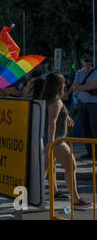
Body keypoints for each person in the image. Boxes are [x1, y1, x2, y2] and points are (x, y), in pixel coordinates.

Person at [42, 72, 91, 207]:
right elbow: (52, 122)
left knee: (44, 170)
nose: (66, 84)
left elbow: (54, 117)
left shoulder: (51, 99)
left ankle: (32, 196)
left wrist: (67, 117)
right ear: (59, 84)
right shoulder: (56, 101)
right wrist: (51, 144)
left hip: (54, 139)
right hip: (57, 140)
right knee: (71, 166)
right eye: (64, 82)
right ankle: (75, 199)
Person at [71, 54, 97, 159]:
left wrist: (79, 87)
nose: (87, 62)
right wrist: (85, 87)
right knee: (85, 128)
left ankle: (96, 152)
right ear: (82, 61)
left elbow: (93, 85)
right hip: (82, 103)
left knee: (95, 129)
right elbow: (74, 86)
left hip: (93, 104)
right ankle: (89, 152)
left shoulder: (95, 72)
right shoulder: (78, 72)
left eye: (89, 60)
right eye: (85, 60)